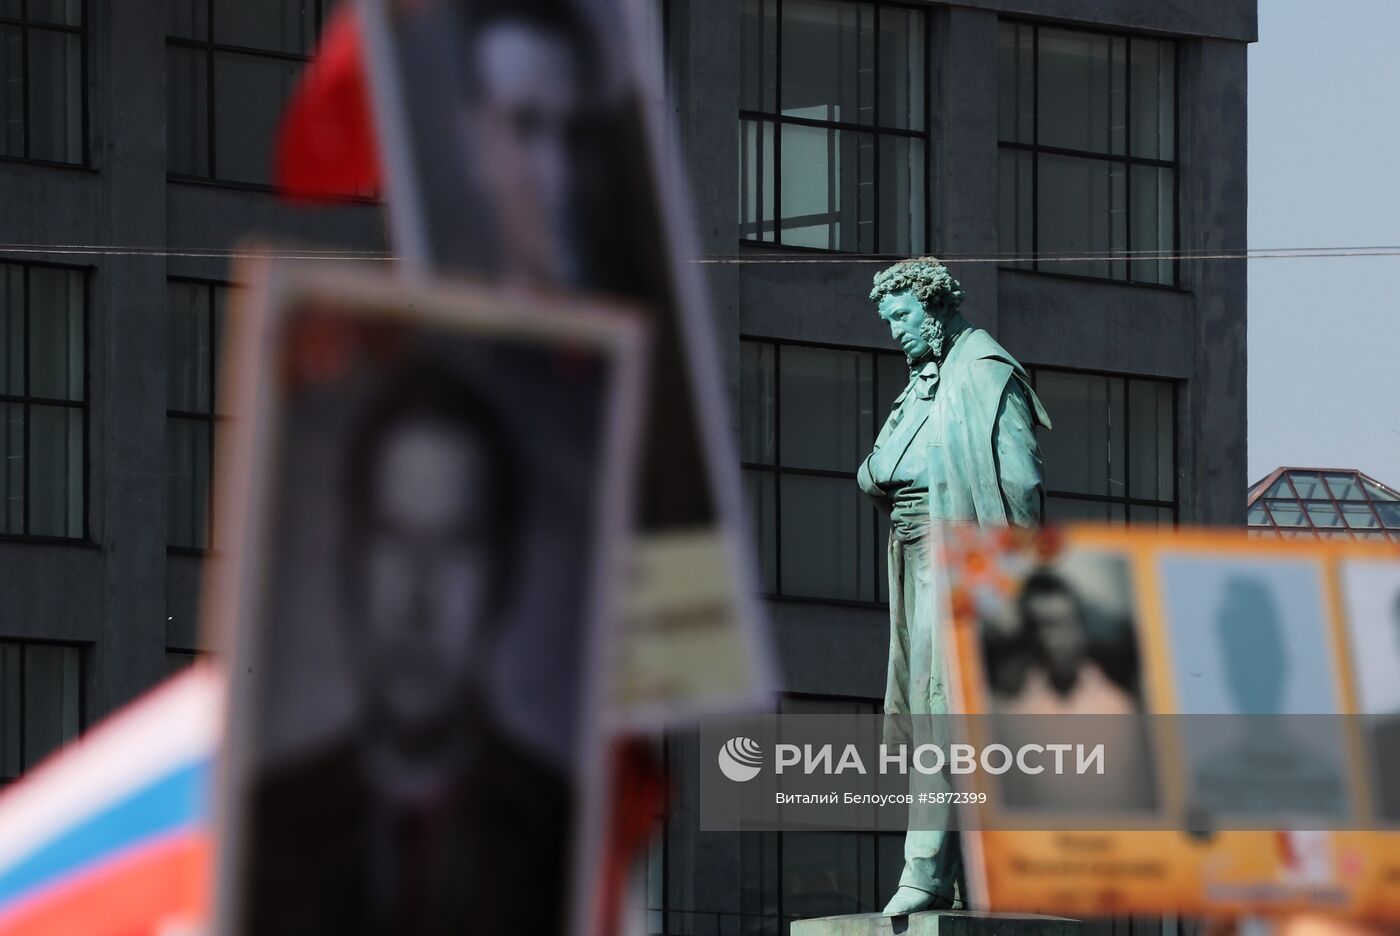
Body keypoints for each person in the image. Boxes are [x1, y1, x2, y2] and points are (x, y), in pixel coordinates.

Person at [245, 366, 572, 936]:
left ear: (501, 578)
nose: (419, 600)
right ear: (352, 563)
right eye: (395, 540)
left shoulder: (562, 828)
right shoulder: (268, 823)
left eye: (454, 547)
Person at [856, 258, 1051, 915]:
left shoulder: (985, 376)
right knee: (935, 713)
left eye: (902, 318)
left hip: (960, 557)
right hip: (913, 557)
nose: (895, 333)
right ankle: (975, 871)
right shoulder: (923, 385)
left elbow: (1019, 483)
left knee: (946, 710)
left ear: (934, 306)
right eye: (888, 322)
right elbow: (880, 469)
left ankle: (926, 871)